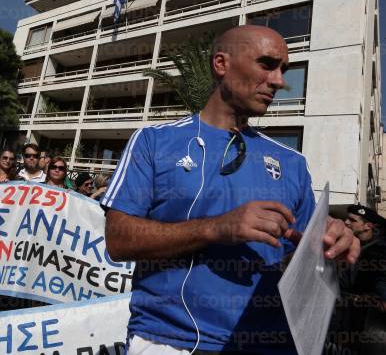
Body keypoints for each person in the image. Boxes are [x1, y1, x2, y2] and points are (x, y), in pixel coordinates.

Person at [102, 25, 360, 354]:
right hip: (171, 341)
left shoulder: (292, 163)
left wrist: (330, 244)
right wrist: (218, 227)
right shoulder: (154, 142)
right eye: (267, 65)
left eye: (283, 69)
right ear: (221, 64)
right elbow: (119, 239)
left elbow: (300, 259)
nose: (280, 81)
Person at [327, 204, 386, 354]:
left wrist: (383, 296)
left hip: (365, 325)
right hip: (342, 317)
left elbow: (382, 276)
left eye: (352, 220)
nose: (346, 222)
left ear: (368, 226)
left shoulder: (379, 249)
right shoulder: (352, 244)